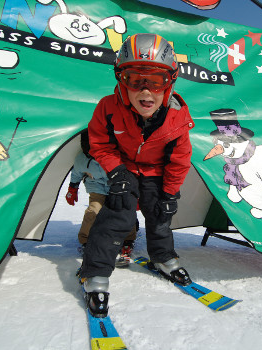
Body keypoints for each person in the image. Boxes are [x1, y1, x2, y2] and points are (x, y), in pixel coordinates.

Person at [79, 33, 195, 317]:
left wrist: (170, 193)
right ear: (121, 79)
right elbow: (100, 143)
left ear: (170, 82)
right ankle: (94, 273)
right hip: (126, 166)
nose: (145, 91)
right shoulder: (108, 107)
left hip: (157, 171)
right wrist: (116, 171)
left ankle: (164, 257)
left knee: (160, 214)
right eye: (135, 79)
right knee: (117, 214)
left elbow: (180, 159)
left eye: (155, 81)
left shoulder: (176, 115)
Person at [65, 130, 137, 267]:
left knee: (125, 210)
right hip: (96, 187)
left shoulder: (114, 154)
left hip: (117, 187)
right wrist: (72, 189)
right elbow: (76, 173)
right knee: (94, 211)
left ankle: (128, 240)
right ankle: (86, 240)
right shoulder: (82, 158)